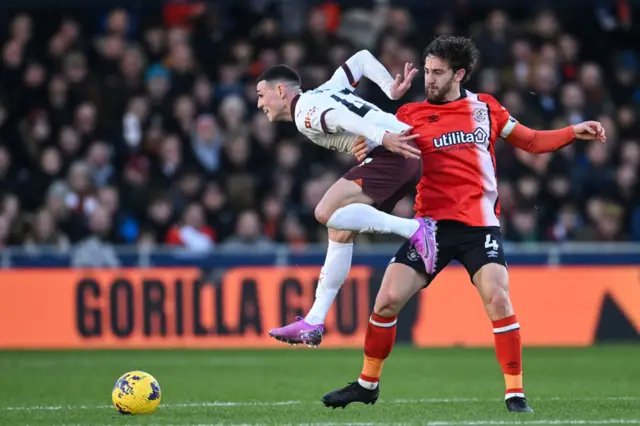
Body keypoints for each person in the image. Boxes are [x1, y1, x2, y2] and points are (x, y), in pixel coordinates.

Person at [321, 36, 606, 413]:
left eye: (437, 73)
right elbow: (377, 148)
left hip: (479, 227)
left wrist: (573, 131)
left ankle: (515, 393)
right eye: (426, 71)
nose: (429, 80)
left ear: (459, 73)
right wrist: (364, 146)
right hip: (429, 229)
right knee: (386, 301)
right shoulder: (407, 115)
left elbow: (533, 142)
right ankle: (367, 384)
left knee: (498, 299)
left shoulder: (485, 108)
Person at [255, 51, 438, 346]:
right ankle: (313, 321)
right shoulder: (327, 89)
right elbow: (362, 59)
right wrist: (389, 87)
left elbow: (341, 117)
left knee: (324, 211)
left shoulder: (304, 112)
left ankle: (415, 230)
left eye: (261, 95)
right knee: (339, 231)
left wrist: (381, 137)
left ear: (280, 91)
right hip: (403, 148)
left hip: (392, 148)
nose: (259, 103)